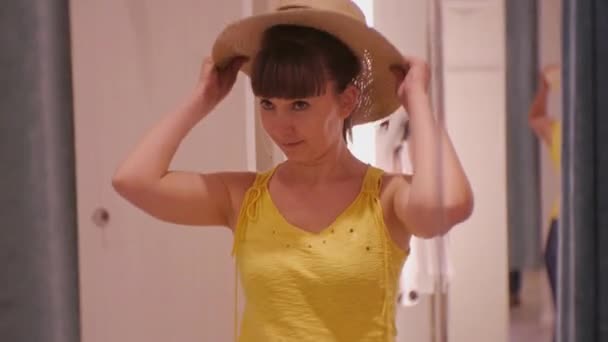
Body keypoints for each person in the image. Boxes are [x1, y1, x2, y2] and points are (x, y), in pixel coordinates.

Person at [111, 1, 473, 341]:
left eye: (300, 105)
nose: (280, 126)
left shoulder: (385, 198)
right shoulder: (244, 198)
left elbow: (450, 206)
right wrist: (201, 100)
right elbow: (133, 181)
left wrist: (418, 103)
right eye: (268, 104)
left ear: (346, 100)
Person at [527, 65, 561, 308]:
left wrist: (545, 87)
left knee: (566, 310)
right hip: (561, 226)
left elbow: (535, 117)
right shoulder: (561, 133)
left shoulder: (561, 133)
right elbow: (536, 119)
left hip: (561, 227)